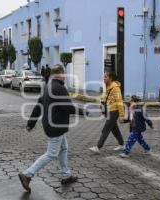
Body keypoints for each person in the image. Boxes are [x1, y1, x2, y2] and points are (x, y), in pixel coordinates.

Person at [18, 64, 87, 193]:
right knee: (51, 154)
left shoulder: (47, 86)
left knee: (64, 148)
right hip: (56, 126)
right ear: (59, 74)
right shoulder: (59, 88)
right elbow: (69, 107)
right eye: (64, 73)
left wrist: (30, 123)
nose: (65, 76)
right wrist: (85, 111)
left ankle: (66, 175)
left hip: (51, 125)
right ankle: (27, 174)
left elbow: (38, 106)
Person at [89, 70, 125, 153]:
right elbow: (106, 98)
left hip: (114, 111)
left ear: (110, 78)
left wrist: (121, 116)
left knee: (106, 129)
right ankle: (121, 144)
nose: (104, 78)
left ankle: (98, 147)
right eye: (104, 76)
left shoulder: (115, 88)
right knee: (114, 128)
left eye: (106, 77)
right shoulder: (107, 86)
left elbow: (119, 102)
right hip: (109, 110)